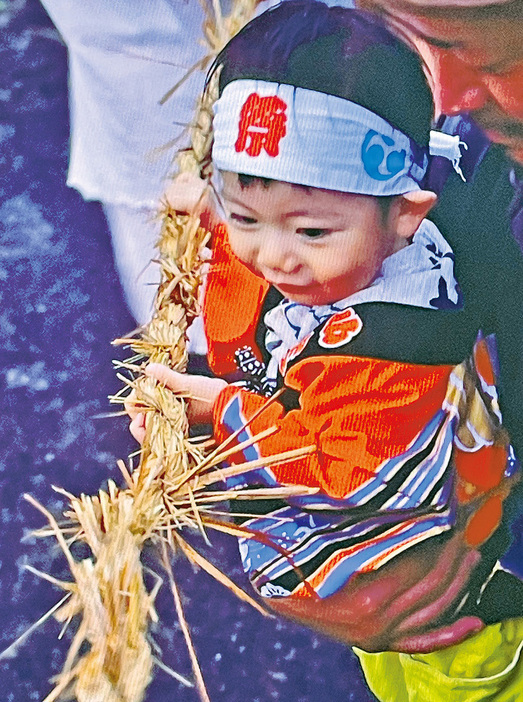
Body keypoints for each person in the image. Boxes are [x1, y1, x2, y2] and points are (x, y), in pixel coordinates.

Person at [127, 3, 522, 697]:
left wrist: (224, 410)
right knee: (386, 675)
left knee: (453, 685)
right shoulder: (355, 239)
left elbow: (341, 477)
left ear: (406, 215)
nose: (272, 255)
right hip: (384, 570)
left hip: (446, 601)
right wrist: (224, 218)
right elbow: (281, 232)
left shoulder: (389, 347)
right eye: (246, 216)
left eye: (309, 231)